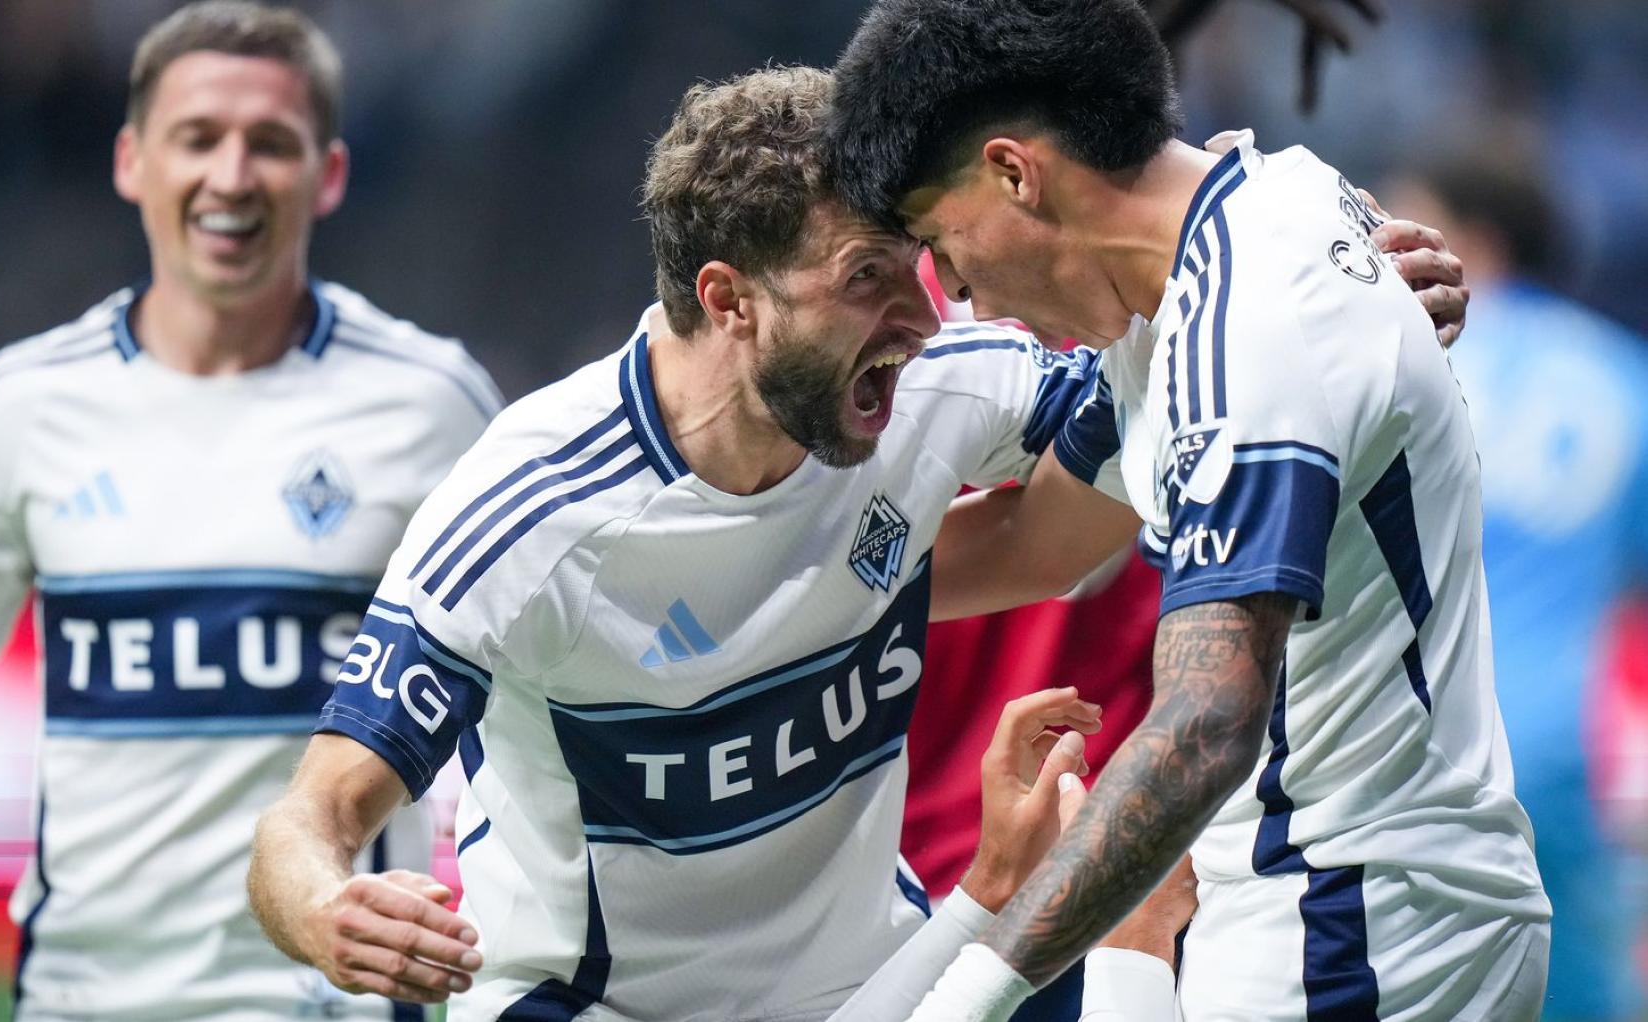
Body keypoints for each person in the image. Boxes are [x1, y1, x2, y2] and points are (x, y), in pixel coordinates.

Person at [248, 64, 1468, 1021]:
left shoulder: (931, 381)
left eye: (922, 263)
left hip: (878, 983)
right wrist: (323, 909)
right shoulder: (530, 510)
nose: (922, 311)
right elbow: (306, 820)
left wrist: (1316, 289)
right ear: (728, 299)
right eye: (867, 276)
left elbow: (1116, 450)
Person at [824, 1, 1547, 1019]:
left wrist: (967, 995)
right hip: (1359, 902)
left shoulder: (1251, 316)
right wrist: (791, 594)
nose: (966, 298)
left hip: (1347, 925)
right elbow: (1040, 540)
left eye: (945, 244)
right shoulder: (1227, 244)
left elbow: (1206, 719)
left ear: (1013, 173)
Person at [0, 4, 500, 1020]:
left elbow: (534, 648)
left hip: (334, 998)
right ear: (132, 161)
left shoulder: (432, 402)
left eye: (269, 143)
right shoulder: (24, 404)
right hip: (85, 996)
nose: (230, 175)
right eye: (198, 138)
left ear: (327, 173)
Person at [1383, 141, 1648, 1021]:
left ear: (1475, 246)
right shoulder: (1627, 380)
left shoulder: (1397, 353)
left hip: (1398, 744)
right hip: (1562, 757)